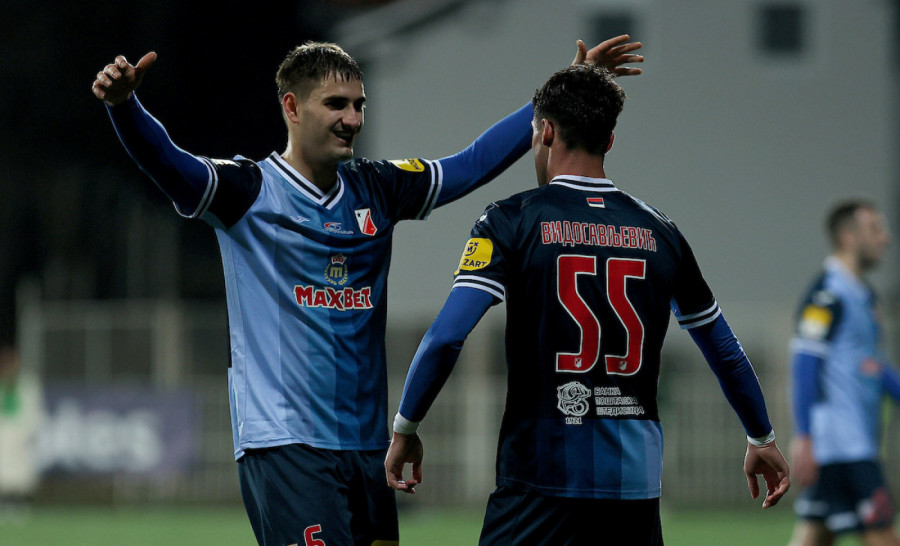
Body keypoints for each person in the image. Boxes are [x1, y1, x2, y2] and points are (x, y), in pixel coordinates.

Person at [91, 36, 644, 546]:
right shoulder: (248, 191)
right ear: (291, 107)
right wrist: (124, 106)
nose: (352, 119)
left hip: (368, 449)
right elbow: (168, 162)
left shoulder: (379, 186)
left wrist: (555, 101)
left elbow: (473, 162)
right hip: (286, 446)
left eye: (359, 105)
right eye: (336, 104)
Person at [384, 63, 790, 545]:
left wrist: (406, 426)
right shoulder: (661, 232)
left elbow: (447, 337)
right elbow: (723, 347)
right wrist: (761, 436)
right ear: (609, 141)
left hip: (540, 478)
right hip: (633, 487)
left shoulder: (510, 220)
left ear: (545, 132)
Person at [788, 201, 900, 546]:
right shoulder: (827, 294)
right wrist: (804, 435)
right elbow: (805, 363)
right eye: (875, 230)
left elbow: (874, 366)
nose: (886, 238)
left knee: (815, 535)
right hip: (842, 444)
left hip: (853, 442)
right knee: (884, 535)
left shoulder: (862, 295)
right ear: (849, 237)